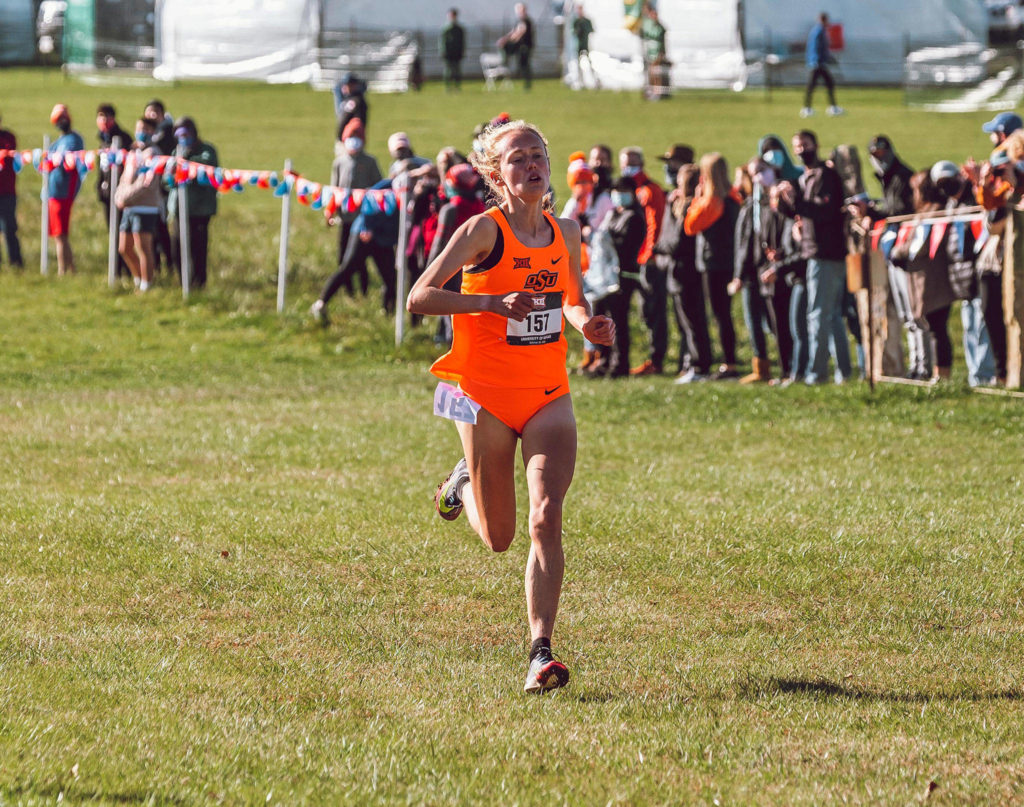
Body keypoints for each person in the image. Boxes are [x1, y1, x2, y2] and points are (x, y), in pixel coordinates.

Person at [406, 120, 614, 693]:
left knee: (546, 517)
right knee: (499, 538)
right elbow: (418, 296)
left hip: (547, 393)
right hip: (482, 396)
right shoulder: (481, 231)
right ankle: (464, 485)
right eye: (517, 159)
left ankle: (540, 651)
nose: (531, 165)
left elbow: (570, 300)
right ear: (496, 175)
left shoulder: (566, 231)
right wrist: (493, 302)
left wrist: (588, 326)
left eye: (538, 154)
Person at [777, 130, 851, 384]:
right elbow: (798, 212)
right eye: (796, 146)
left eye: (805, 145)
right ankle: (844, 372)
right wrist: (784, 202)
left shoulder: (825, 176)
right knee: (829, 316)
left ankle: (817, 373)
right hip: (813, 252)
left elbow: (824, 212)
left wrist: (795, 201)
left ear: (816, 145)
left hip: (826, 253)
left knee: (819, 314)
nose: (800, 151)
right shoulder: (805, 177)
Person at [311, 118, 382, 324]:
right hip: (345, 218)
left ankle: (364, 290)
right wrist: (330, 212)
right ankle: (349, 292)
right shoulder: (339, 162)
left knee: (361, 259)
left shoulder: (370, 162)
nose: (354, 142)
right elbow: (334, 189)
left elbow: (378, 187)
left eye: (357, 138)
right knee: (344, 257)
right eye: (350, 138)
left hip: (364, 219)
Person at [684, 152, 741, 380]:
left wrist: (696, 199)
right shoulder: (733, 198)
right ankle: (730, 361)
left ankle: (729, 363)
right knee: (723, 314)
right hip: (727, 262)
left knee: (720, 314)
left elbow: (691, 225)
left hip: (714, 263)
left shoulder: (713, 201)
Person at [655, 164, 713, 382]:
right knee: (687, 322)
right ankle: (692, 362)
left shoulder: (690, 207)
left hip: (685, 273)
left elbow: (674, 241)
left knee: (693, 321)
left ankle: (699, 365)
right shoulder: (678, 205)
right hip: (679, 273)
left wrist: (658, 247)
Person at [618, 147, 666, 375]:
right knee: (645, 311)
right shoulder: (628, 191)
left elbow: (653, 225)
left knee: (654, 310)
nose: (630, 166)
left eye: (634, 161)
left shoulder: (648, 190)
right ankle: (651, 357)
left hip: (648, 259)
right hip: (633, 262)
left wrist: (650, 254)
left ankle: (657, 360)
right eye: (626, 162)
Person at [166, 116, 218, 289]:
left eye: (186, 134)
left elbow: (208, 165)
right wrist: (171, 177)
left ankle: (199, 285)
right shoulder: (176, 152)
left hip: (200, 210)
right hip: (179, 210)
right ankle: (183, 283)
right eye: (179, 135)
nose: (183, 138)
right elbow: (166, 180)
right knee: (177, 249)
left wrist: (187, 163)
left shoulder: (206, 150)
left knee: (197, 250)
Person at [114, 117, 161, 292]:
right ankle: (138, 278)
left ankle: (147, 284)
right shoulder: (133, 153)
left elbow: (145, 183)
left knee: (143, 247)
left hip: (145, 207)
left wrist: (125, 198)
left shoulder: (153, 154)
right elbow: (124, 179)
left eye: (147, 129)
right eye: (140, 128)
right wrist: (118, 196)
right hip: (128, 206)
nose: (142, 132)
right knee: (124, 248)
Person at [47, 104, 85, 276]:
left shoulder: (74, 140)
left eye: (64, 118)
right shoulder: (58, 142)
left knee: (60, 234)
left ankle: (63, 271)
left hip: (63, 193)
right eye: (58, 119)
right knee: (58, 234)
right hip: (53, 193)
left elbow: (67, 160)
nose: (62, 122)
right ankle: (70, 269)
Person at [96, 103, 133, 277]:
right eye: (100, 116)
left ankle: (125, 269)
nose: (104, 120)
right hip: (106, 194)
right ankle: (116, 269)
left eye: (107, 116)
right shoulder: (102, 140)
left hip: (120, 194)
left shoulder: (123, 138)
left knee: (121, 233)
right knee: (112, 232)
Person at [801, 12, 843, 118]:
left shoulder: (821, 30)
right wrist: (817, 60)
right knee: (813, 85)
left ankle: (831, 107)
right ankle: (807, 108)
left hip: (819, 62)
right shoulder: (818, 31)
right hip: (817, 63)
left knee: (827, 84)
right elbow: (815, 47)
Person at [0, 113, 23, 269]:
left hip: (7, 192)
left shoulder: (7, 137)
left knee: (9, 229)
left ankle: (16, 263)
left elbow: (9, 151)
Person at [498, 3, 535, 90]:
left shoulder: (526, 21)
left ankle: (527, 84)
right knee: (521, 63)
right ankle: (504, 62)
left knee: (524, 65)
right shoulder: (519, 21)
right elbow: (514, 31)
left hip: (525, 46)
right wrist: (505, 39)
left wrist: (511, 39)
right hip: (519, 46)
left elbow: (520, 32)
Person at [640, 3, 669, 101]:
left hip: (657, 52)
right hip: (650, 51)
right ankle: (652, 92)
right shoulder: (646, 23)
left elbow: (661, 35)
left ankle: (657, 92)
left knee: (656, 72)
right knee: (651, 73)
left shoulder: (659, 26)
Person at [568, 3, 599, 90]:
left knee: (590, 63)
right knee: (578, 65)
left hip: (586, 45)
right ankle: (580, 82)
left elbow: (592, 30)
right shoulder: (576, 21)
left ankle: (594, 81)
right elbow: (573, 32)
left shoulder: (586, 21)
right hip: (579, 46)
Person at [440, 8, 466, 91]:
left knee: (457, 70)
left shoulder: (459, 29)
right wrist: (443, 51)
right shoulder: (446, 29)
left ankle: (457, 86)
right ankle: (448, 87)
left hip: (457, 52)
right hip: (448, 53)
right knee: (448, 70)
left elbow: (462, 41)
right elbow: (442, 41)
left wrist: (462, 51)